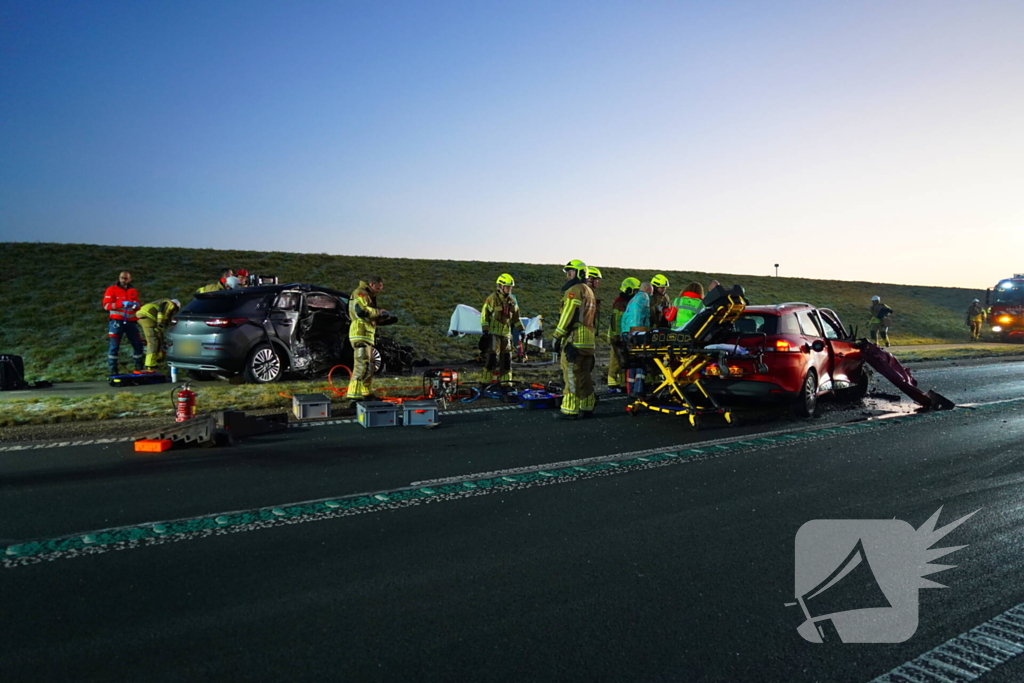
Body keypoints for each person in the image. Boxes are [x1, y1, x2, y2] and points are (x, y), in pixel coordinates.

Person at [553, 260, 598, 420]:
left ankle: (569, 409)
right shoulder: (589, 291)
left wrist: (557, 335)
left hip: (574, 339)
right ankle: (587, 405)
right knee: (585, 375)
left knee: (571, 375)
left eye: (570, 271)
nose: (568, 275)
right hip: (588, 341)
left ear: (578, 273)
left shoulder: (574, 290)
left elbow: (568, 313)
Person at [347, 276, 389, 400]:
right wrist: (378, 312)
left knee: (369, 366)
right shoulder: (361, 293)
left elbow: (368, 314)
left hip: (367, 335)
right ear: (371, 284)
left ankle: (366, 392)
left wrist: (381, 318)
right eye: (378, 287)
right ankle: (353, 396)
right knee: (361, 365)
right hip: (360, 334)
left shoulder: (368, 295)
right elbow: (361, 311)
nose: (379, 290)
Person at [479, 273, 525, 384]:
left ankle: (506, 383)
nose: (509, 289)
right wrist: (485, 330)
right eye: (507, 287)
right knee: (492, 358)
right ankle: (485, 382)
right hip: (494, 333)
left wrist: (521, 329)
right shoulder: (491, 299)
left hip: (506, 334)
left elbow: (516, 317)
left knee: (507, 360)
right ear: (500, 286)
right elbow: (484, 316)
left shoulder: (512, 301)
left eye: (511, 287)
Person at [101, 271, 145, 375]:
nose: (123, 280)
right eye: (122, 278)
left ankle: (139, 367)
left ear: (130, 279)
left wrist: (136, 305)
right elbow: (106, 306)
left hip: (131, 322)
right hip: (117, 322)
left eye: (126, 278)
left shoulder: (133, 291)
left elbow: (138, 306)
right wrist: (121, 303)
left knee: (138, 345)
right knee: (114, 346)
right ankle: (113, 369)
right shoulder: (111, 290)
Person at [606, 277, 640, 393]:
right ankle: (612, 384)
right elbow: (616, 321)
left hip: (622, 335)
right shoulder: (620, 304)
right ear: (629, 290)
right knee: (616, 359)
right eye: (635, 291)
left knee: (622, 359)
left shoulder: (627, 303)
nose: (636, 293)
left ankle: (621, 383)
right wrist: (617, 337)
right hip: (617, 336)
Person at [621, 282, 653, 396]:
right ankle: (638, 389)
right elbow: (641, 316)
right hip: (637, 333)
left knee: (633, 362)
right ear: (649, 290)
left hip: (627, 331)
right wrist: (642, 333)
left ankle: (631, 389)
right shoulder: (644, 298)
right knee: (642, 360)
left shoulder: (633, 299)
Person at [136, 298, 181, 372]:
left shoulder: (162, 302)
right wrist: (160, 324)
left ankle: (157, 358)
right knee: (153, 340)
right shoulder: (171, 304)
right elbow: (163, 314)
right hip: (148, 316)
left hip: (143, 315)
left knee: (157, 336)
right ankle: (150, 364)